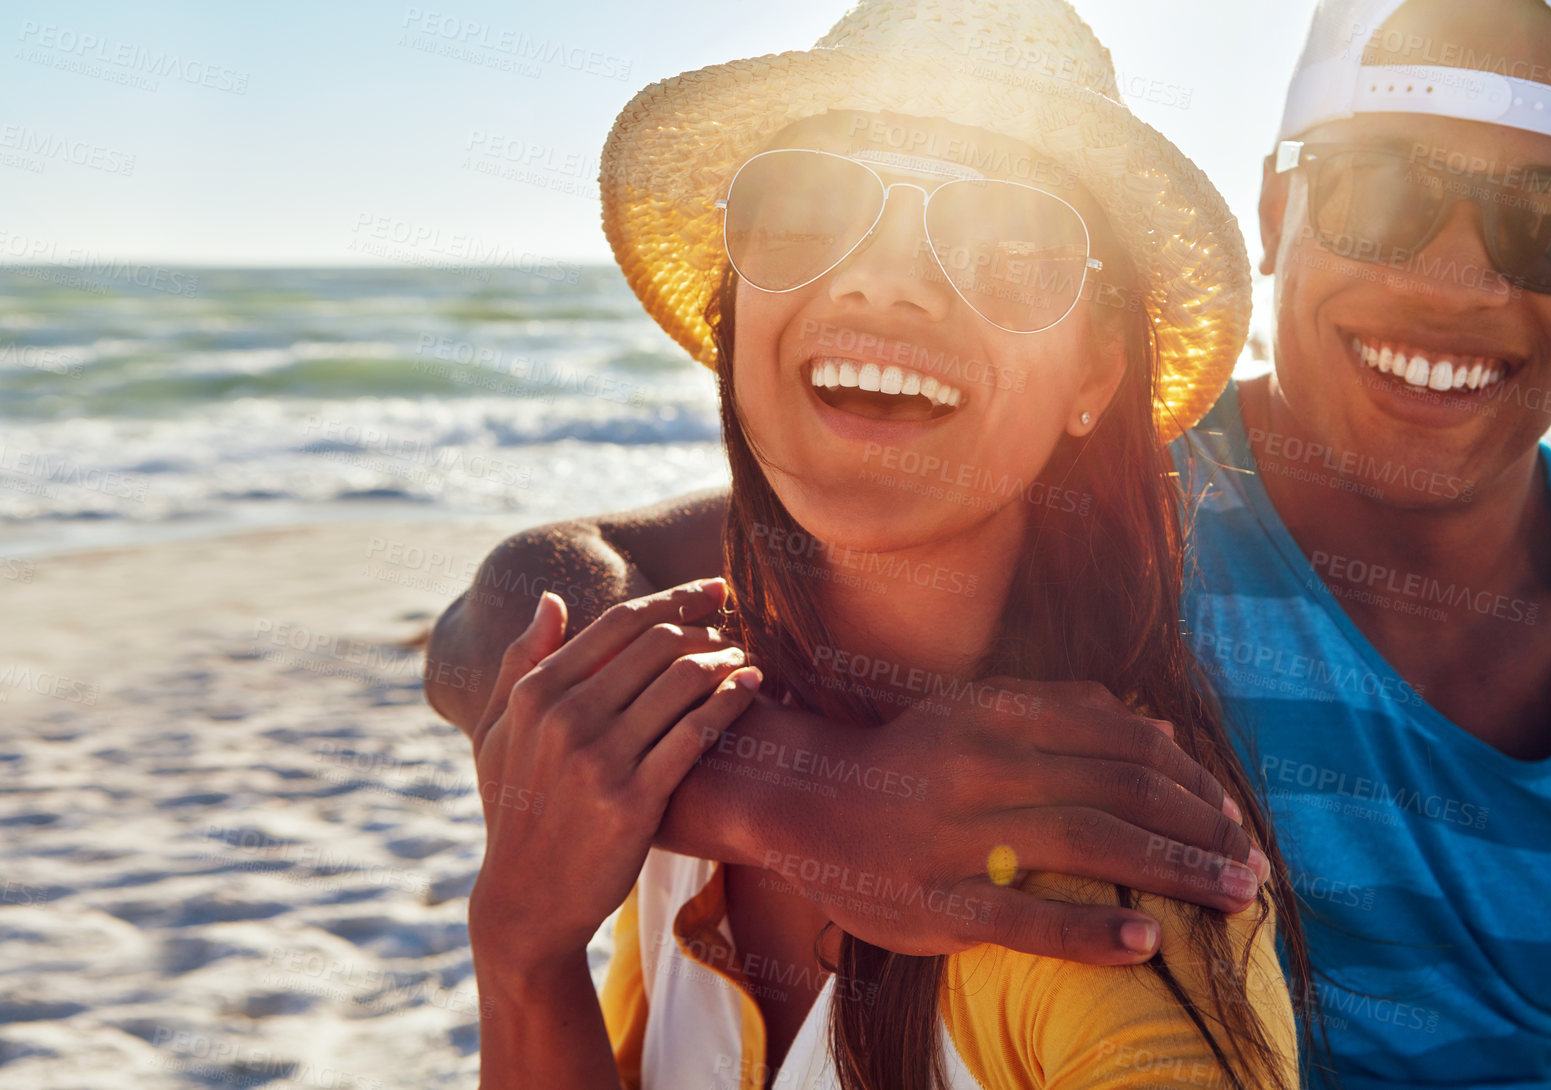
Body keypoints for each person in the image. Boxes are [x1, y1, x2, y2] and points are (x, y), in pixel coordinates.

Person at [430, 0, 1551, 1088]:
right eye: (1383, 195)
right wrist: (818, 801)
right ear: (1279, 214)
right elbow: (518, 611)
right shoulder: (1094, 489)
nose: (1452, 279)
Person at [459, 1, 1311, 1086]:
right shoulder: (684, 751)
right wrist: (525, 954)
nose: (884, 279)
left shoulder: (1115, 890)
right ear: (733, 306)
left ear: (1095, 372)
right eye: (808, 209)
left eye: (1008, 241)